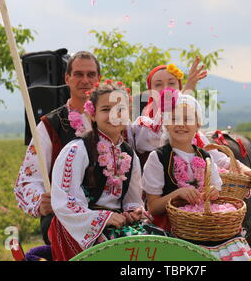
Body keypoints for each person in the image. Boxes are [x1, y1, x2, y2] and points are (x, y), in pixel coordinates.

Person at [47, 81, 163, 261]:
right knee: (121, 254)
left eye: (120, 109)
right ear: (92, 114)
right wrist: (102, 219)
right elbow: (64, 202)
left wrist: (133, 212)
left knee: (159, 244)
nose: (114, 115)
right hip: (79, 227)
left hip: (116, 224)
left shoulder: (129, 154)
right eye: (106, 109)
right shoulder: (77, 150)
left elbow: (132, 199)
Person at [14, 51, 101, 244]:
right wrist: (40, 201)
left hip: (106, 212)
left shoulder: (113, 121)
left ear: (98, 79)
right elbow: (27, 181)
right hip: (64, 217)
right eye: (78, 74)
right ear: (67, 78)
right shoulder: (49, 126)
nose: (85, 80)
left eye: (90, 74)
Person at [132, 61, 251, 189]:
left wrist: (245, 169)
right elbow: (161, 126)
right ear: (150, 92)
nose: (166, 89)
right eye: (158, 84)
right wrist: (187, 89)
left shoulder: (192, 133)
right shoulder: (142, 126)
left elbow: (219, 159)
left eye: (171, 83)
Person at [142, 92, 223, 231]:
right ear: (166, 123)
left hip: (203, 223)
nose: (181, 124)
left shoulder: (205, 156)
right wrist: (177, 194)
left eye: (188, 119)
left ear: (198, 124)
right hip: (171, 225)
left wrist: (212, 192)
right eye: (174, 119)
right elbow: (153, 207)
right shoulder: (158, 158)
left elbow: (216, 189)